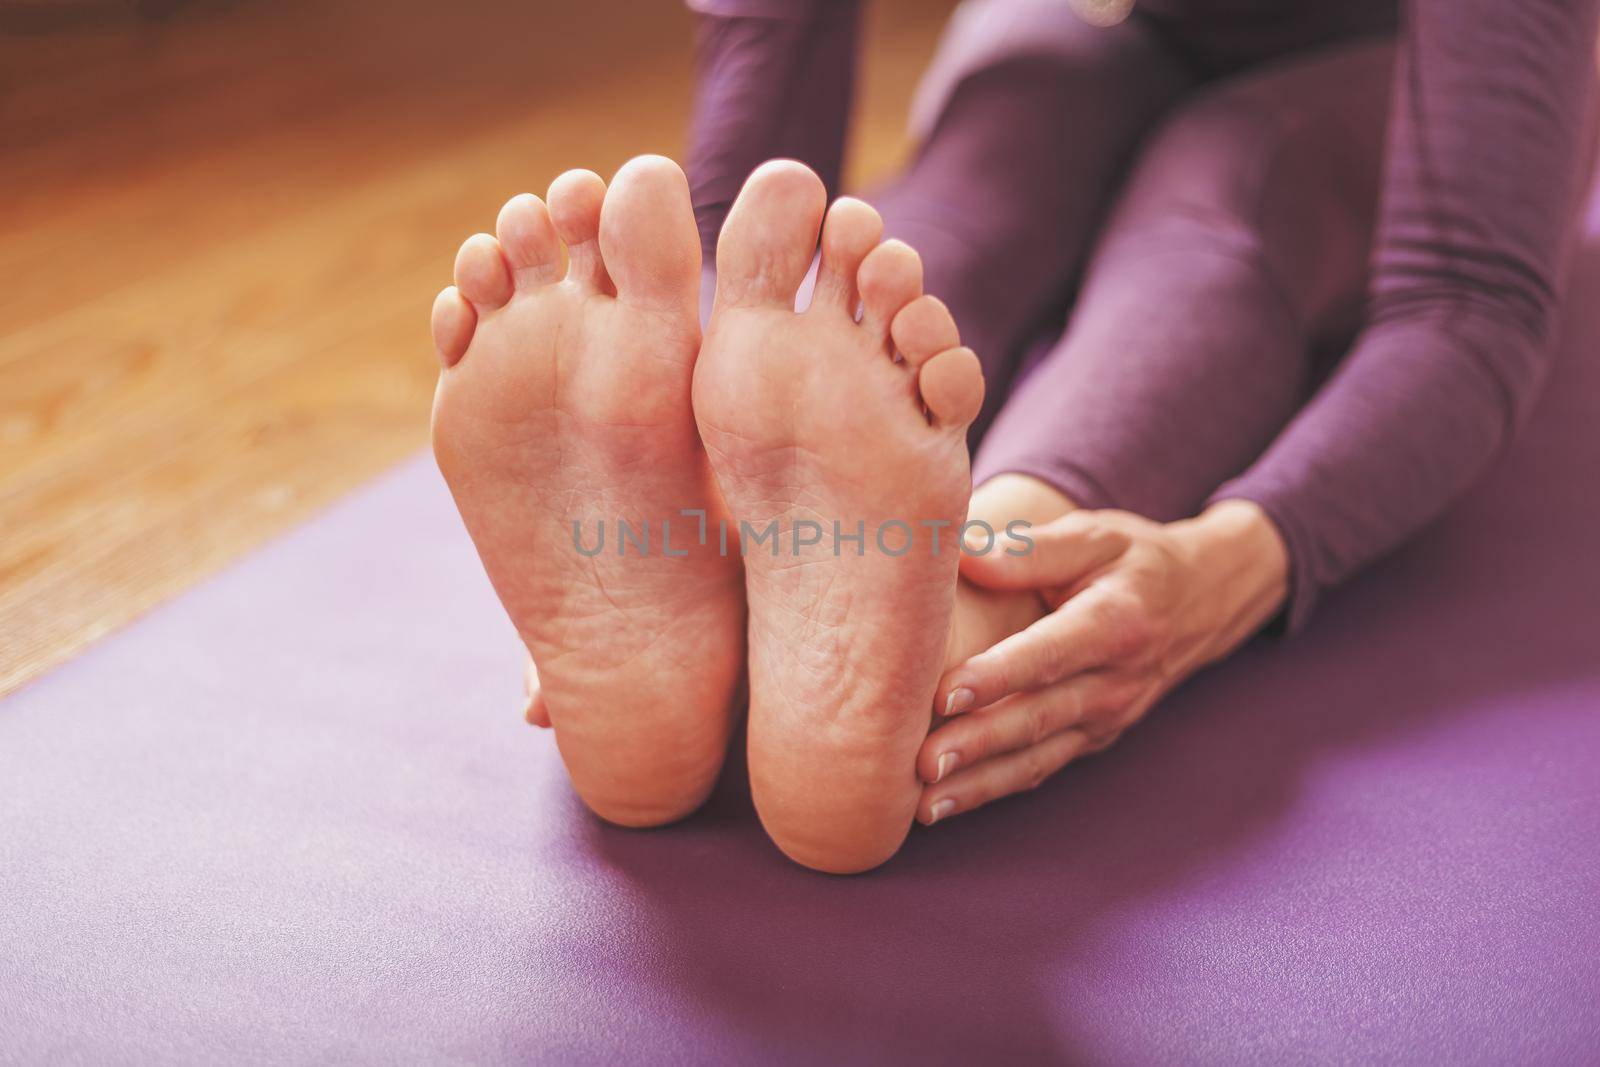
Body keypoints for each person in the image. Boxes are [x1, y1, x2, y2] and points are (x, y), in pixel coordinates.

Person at [428, 0, 1599, 873]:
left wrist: (1235, 559)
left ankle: (972, 592)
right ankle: (781, 580)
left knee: (1228, 177)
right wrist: (689, 407)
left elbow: (1464, 296)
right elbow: (773, 67)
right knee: (991, 161)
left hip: (1393, 70)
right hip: (1087, 26)